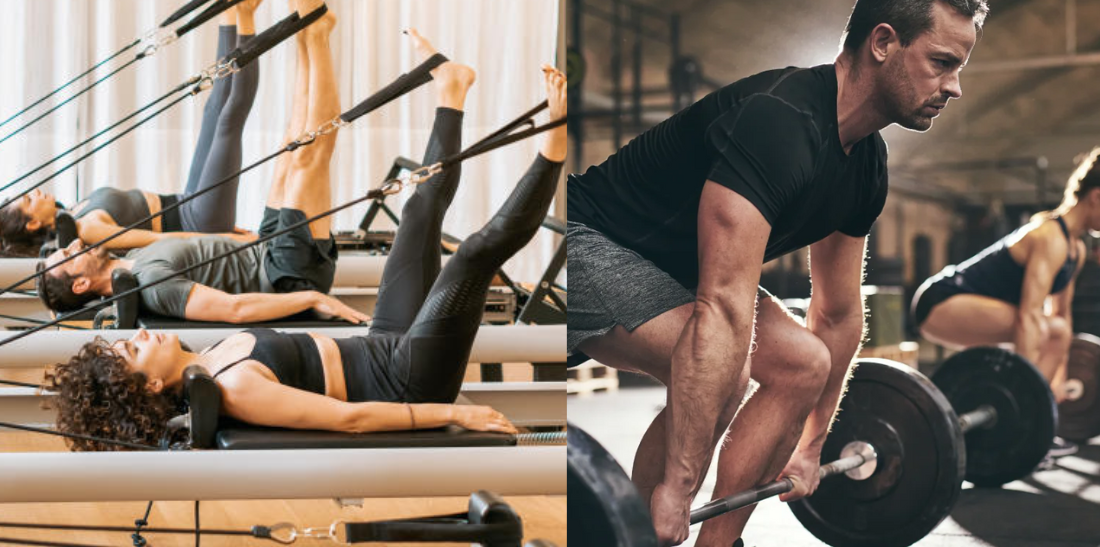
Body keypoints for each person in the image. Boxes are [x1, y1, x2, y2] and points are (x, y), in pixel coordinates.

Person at [45, 7, 569, 452]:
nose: (137, 334)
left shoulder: (209, 358)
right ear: (154, 383)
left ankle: (452, 89)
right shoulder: (234, 387)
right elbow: (350, 420)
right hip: (408, 378)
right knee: (472, 256)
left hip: (384, 341)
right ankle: (553, 147)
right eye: (134, 351)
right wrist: (453, 414)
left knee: (417, 212)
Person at [565, 0, 987, 545]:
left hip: (678, 272)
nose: (954, 87)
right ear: (883, 43)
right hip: (582, 242)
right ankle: (645, 533)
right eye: (942, 63)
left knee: (804, 362)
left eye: (960, 68)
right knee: (725, 371)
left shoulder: (865, 165)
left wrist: (812, 447)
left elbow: (836, 316)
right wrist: (676, 487)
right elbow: (722, 306)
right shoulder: (779, 121)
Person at [36, 0, 363, 324]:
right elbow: (235, 310)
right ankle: (318, 35)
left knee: (291, 147)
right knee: (310, 152)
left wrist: (229, 238)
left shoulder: (134, 259)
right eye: (69, 255)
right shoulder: (153, 285)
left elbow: (190, 245)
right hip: (285, 272)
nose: (76, 243)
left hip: (262, 247)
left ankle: (308, 33)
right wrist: (314, 297)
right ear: (80, 284)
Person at [0, 0, 264, 257]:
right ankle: (245, 17)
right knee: (230, 118)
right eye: (28, 200)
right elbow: (155, 240)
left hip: (187, 202)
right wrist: (220, 239)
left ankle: (229, 12)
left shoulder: (73, 211)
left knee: (215, 108)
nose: (34, 192)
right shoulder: (87, 230)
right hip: (198, 222)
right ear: (32, 223)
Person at [913, 147, 1100, 458]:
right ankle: (1027, 416)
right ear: (1096, 196)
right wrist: (1025, 393)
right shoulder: (1049, 236)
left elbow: (1063, 317)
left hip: (978, 309)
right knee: (1040, 326)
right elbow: (1029, 318)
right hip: (940, 301)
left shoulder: (1075, 250)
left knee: (1056, 328)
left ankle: (1036, 422)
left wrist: (1060, 378)